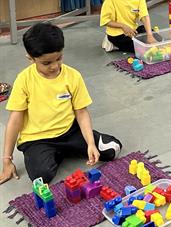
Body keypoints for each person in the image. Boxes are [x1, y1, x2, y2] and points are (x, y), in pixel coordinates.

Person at [0, 23, 122, 185]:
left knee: (113, 148)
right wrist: (7, 160)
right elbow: (15, 120)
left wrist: (91, 143)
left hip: (69, 132)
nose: (54, 66)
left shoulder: (73, 76)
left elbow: (81, 112)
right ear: (31, 58)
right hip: (38, 139)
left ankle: (68, 148)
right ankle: (57, 152)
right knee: (41, 175)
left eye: (59, 58)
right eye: (46, 63)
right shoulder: (24, 80)